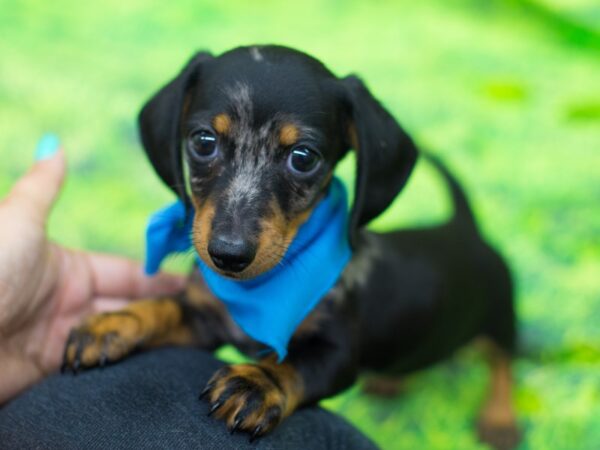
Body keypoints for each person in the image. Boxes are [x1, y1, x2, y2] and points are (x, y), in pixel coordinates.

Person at [0, 136, 377, 450]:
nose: (229, 241)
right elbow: (205, 322)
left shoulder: (337, 280)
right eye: (206, 144)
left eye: (302, 158)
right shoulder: (214, 270)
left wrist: (276, 382)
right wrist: (144, 320)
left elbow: (335, 355)